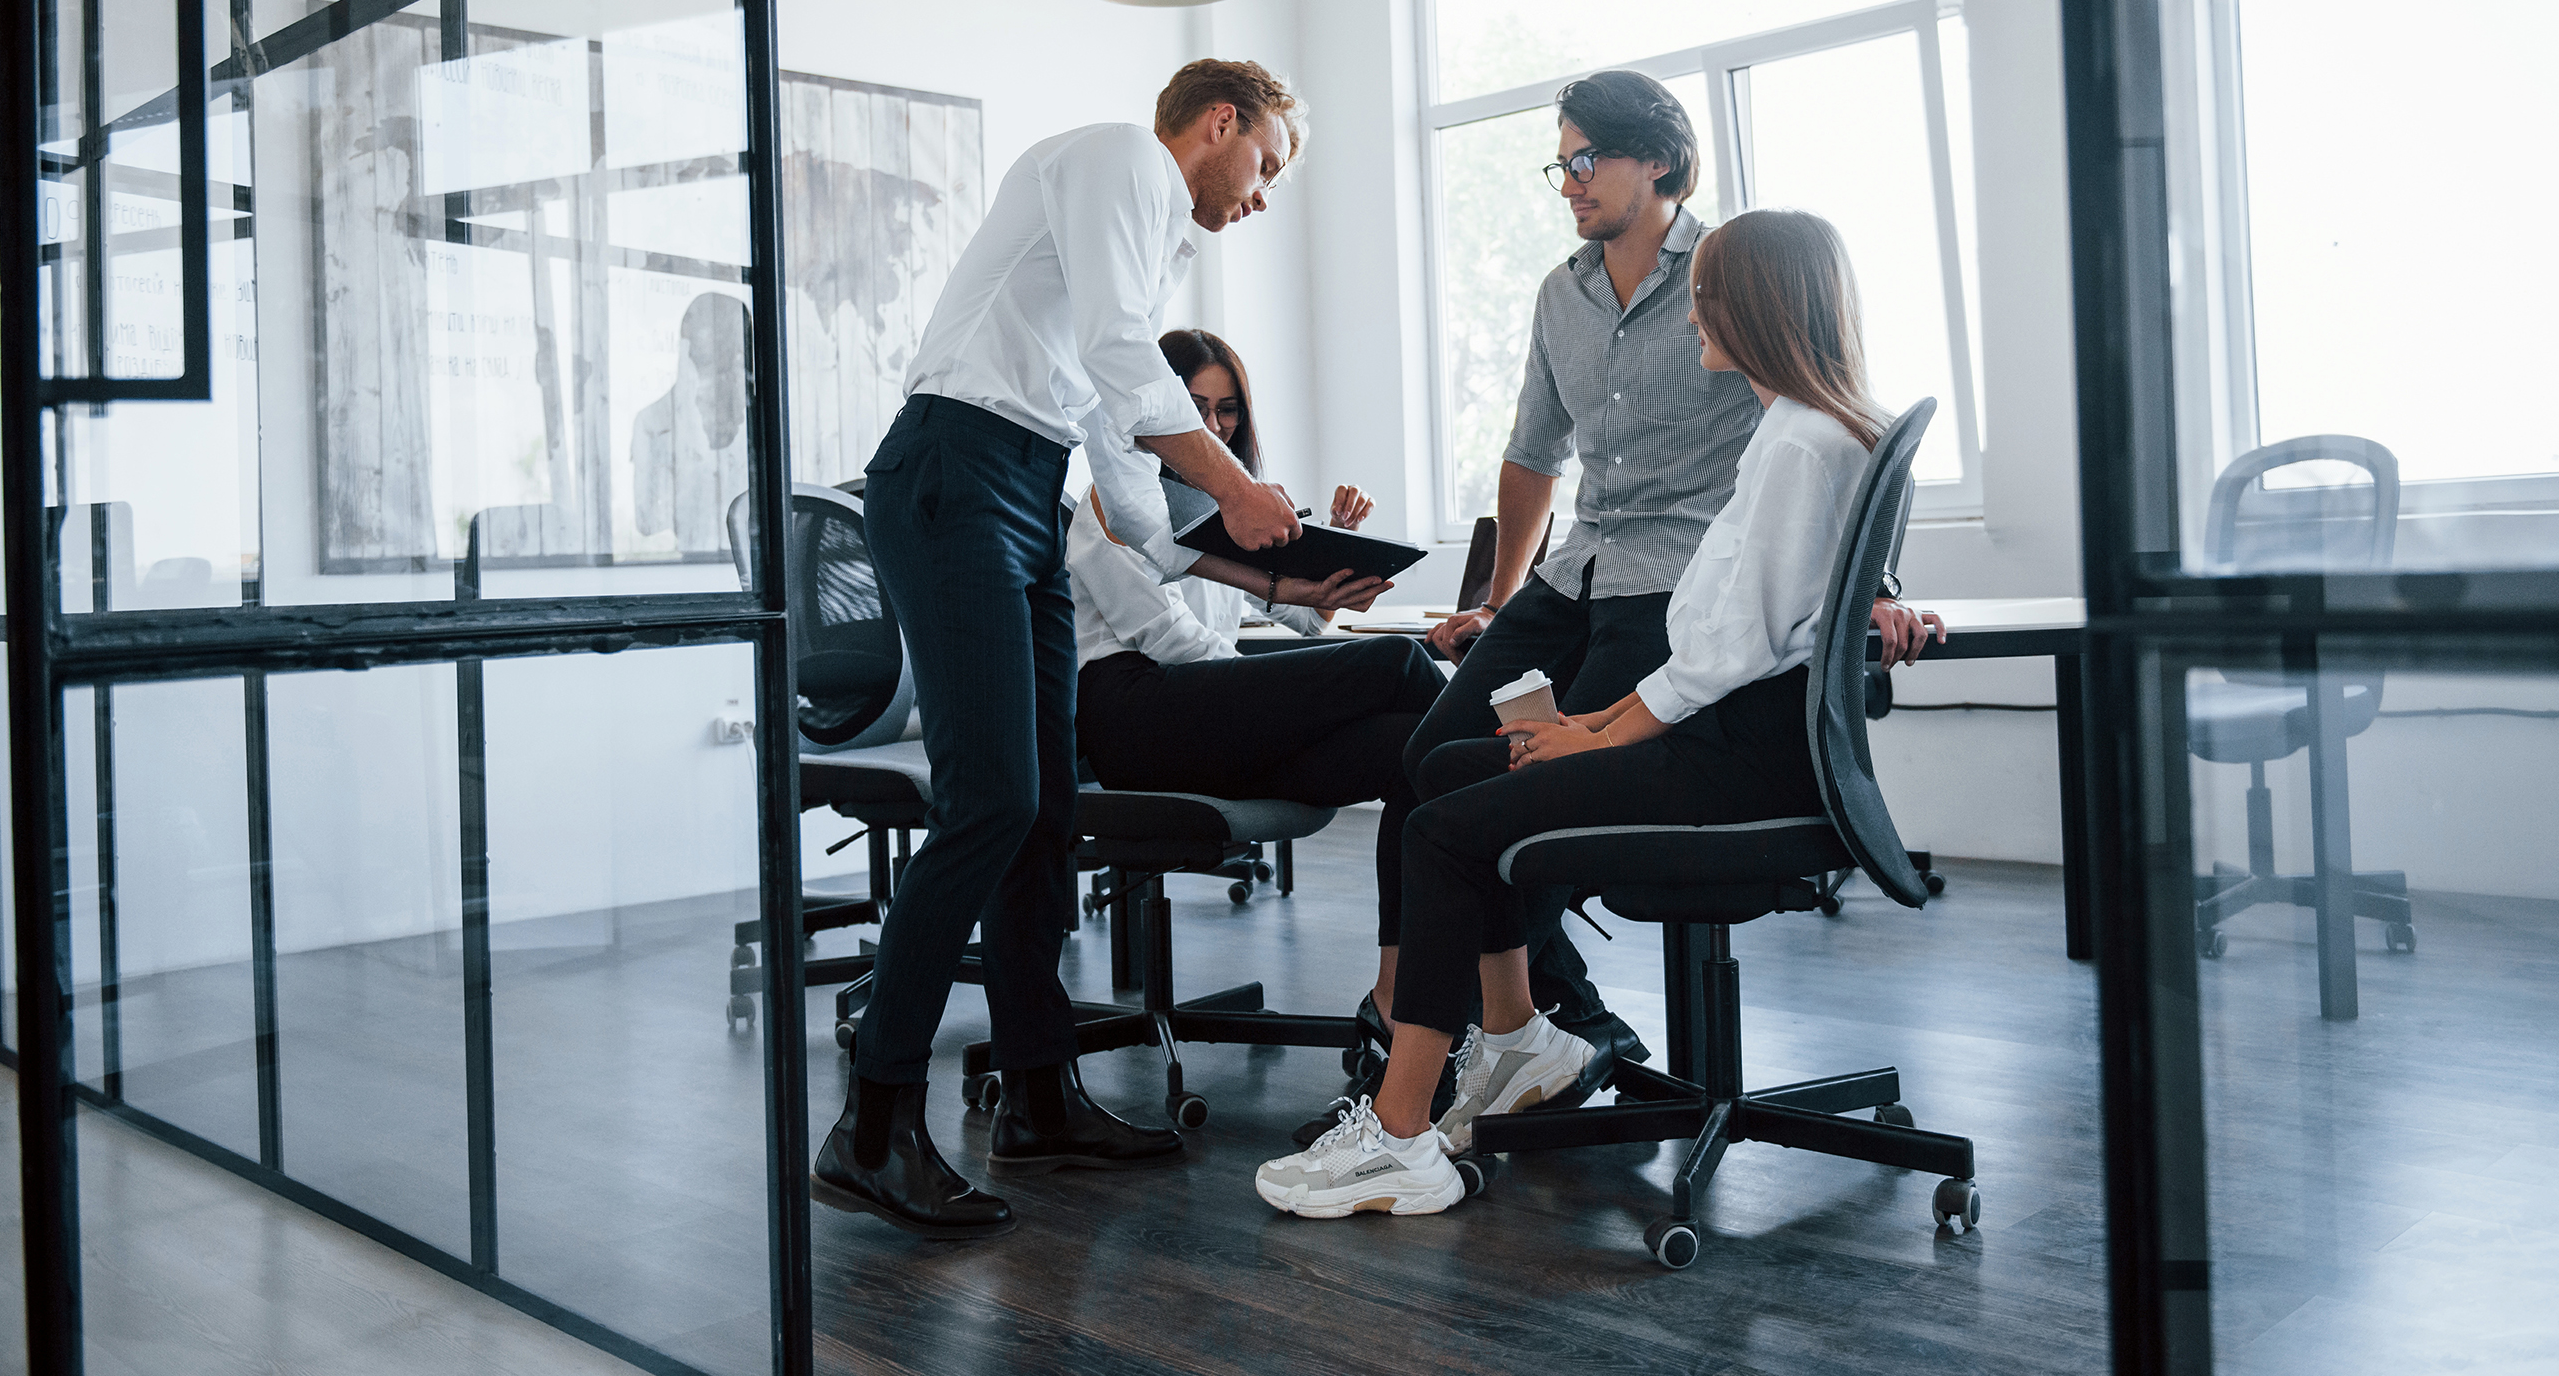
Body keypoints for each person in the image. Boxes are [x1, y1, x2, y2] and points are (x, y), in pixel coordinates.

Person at [1253, 207, 1945, 1220]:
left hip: (1738, 760)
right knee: (1449, 767)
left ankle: (1400, 1135)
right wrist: (1584, 728)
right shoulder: (1813, 431)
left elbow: (1720, 655)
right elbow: (1721, 640)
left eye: (1706, 292)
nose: (1692, 310)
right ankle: (1521, 1037)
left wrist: (1595, 731)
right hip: (1738, 737)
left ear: (1750, 306)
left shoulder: (1794, 445)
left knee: (1447, 829)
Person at [813, 61, 1309, 1241]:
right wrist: (1237, 485)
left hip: (1024, 488)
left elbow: (1123, 471)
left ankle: (1039, 1095)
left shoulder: (1143, 236)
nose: (1261, 195)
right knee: (989, 803)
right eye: (1268, 165)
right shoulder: (1120, 159)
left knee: (1044, 807)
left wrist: (1264, 571)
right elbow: (1121, 357)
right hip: (953, 470)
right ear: (1220, 123)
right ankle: (873, 1124)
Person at [1069, 329, 1449, 946]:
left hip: (1210, 720)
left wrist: (1329, 578)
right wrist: (1275, 699)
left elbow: (1298, 619)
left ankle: (1403, 995)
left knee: (1414, 751)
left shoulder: (1224, 510)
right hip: (1138, 719)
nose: (1213, 428)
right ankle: (1527, 773)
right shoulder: (1108, 506)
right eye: (1193, 410)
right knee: (1395, 664)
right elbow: (1168, 641)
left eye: (1226, 411)